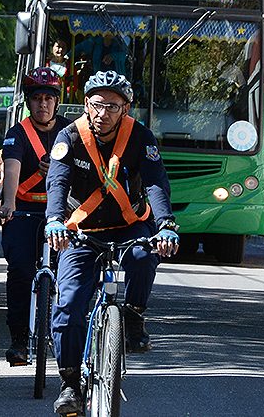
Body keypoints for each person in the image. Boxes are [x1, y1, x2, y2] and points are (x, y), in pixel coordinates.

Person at [43, 70, 180, 414]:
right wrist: (55, 221)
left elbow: (155, 182)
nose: (104, 113)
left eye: (113, 106)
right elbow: (57, 182)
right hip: (80, 230)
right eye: (98, 104)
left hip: (129, 223)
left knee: (144, 254)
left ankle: (133, 315)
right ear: (87, 104)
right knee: (69, 305)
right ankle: (70, 383)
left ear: (126, 109)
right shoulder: (69, 136)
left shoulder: (140, 137)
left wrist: (165, 225)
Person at [0, 67, 72, 366]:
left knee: (72, 275)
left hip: (64, 212)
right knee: (20, 272)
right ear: (29, 102)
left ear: (57, 102)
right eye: (37, 98)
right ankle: (18, 341)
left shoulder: (71, 131)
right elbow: (12, 169)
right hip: (25, 211)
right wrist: (9, 203)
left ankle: (70, 337)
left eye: (48, 98)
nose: (43, 104)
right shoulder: (17, 135)